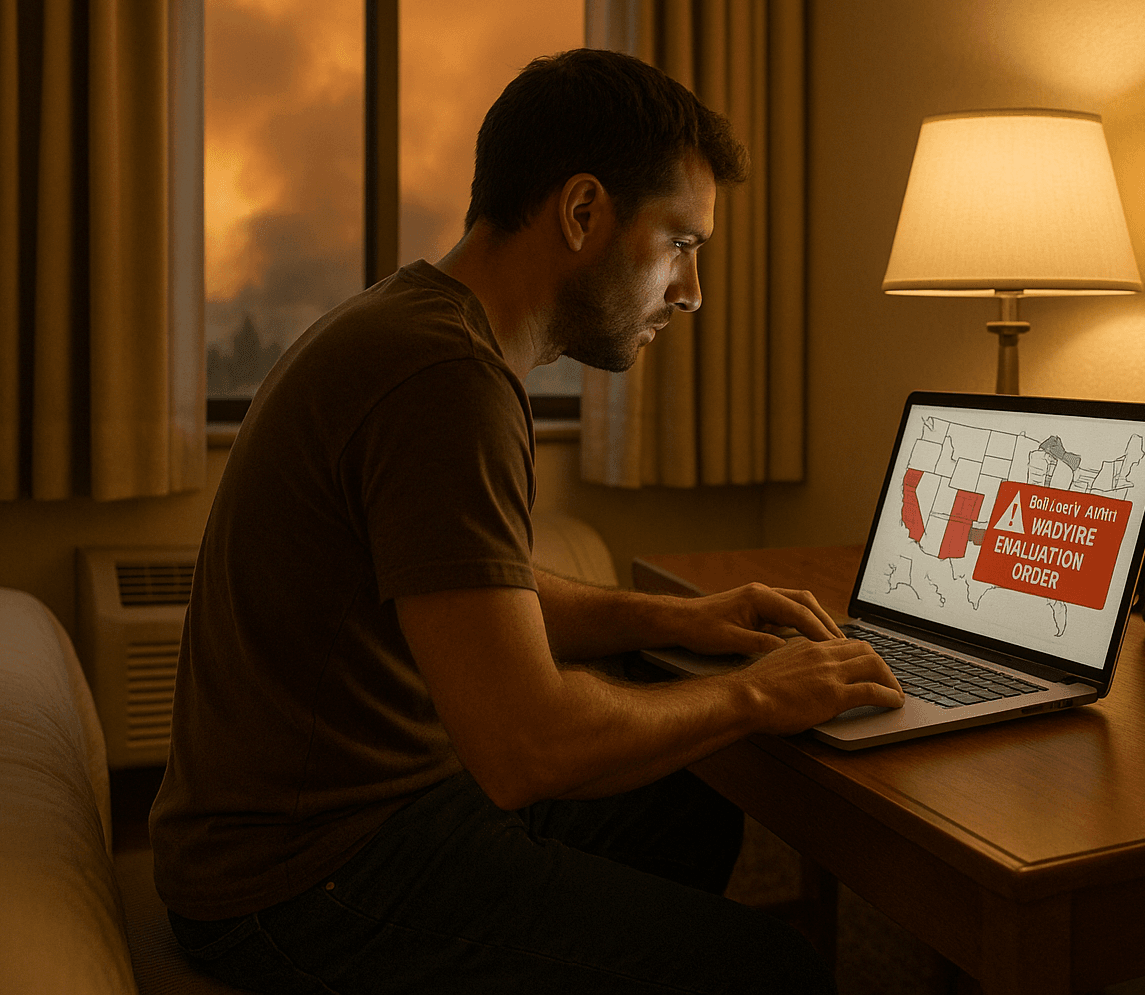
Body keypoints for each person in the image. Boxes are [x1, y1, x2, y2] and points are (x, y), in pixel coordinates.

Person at [150, 48, 904, 995]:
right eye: (681, 245)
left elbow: (472, 588)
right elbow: (526, 748)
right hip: (297, 879)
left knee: (688, 807)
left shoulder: (418, 324)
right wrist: (759, 694)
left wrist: (672, 618)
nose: (692, 293)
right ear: (584, 212)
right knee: (770, 969)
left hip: (343, 814)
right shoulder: (444, 381)